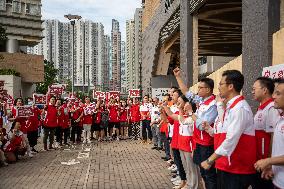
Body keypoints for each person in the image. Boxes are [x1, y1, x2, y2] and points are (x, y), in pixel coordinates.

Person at [201, 70, 256, 189]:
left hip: (236, 168)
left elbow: (231, 139)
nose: (219, 87)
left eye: (221, 84)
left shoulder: (239, 108)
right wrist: (210, 130)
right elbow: (223, 133)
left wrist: (210, 160)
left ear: (230, 86)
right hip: (226, 165)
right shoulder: (231, 107)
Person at [174, 67, 217, 189]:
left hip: (207, 144)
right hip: (199, 142)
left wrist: (191, 113)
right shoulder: (201, 101)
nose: (197, 90)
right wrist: (178, 77)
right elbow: (186, 92)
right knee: (203, 173)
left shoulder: (213, 105)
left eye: (200, 88)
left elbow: (202, 125)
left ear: (208, 89)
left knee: (209, 175)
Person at [254, 79, 284, 189]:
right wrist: (270, 164)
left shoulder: (271, 109)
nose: (274, 97)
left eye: (278, 93)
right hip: (277, 179)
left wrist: (268, 160)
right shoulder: (280, 119)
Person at [163, 89, 187, 189]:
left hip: (182, 139)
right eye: (172, 95)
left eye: (174, 95)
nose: (172, 97)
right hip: (176, 138)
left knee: (183, 163)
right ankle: (182, 180)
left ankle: (185, 181)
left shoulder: (182, 110)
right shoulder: (176, 108)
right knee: (178, 160)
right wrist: (163, 110)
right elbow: (168, 120)